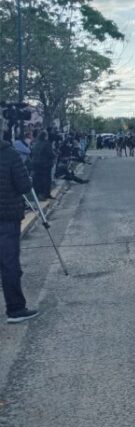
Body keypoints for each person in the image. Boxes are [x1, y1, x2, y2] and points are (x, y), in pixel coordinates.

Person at [0, 115, 39, 323]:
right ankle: (15, 309)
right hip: (7, 217)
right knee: (9, 263)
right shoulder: (10, 154)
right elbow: (25, 186)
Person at [31, 130, 55, 200]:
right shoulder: (47, 143)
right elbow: (50, 154)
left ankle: (39, 194)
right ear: (45, 136)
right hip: (46, 164)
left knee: (38, 180)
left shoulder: (36, 143)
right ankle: (46, 194)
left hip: (36, 164)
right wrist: (54, 155)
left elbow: (33, 153)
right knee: (47, 180)